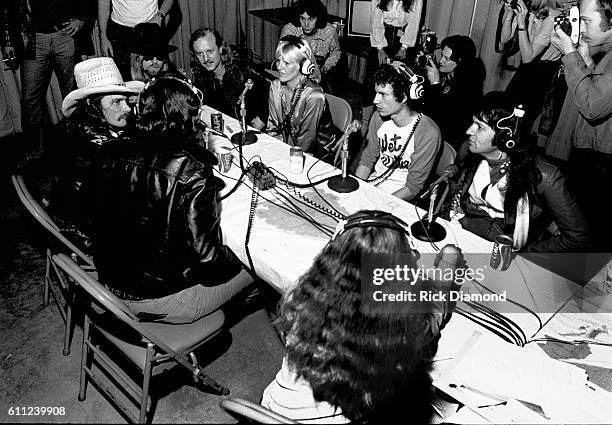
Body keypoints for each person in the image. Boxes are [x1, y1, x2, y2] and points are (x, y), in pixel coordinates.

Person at [261, 210, 464, 423]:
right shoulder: (400, 326)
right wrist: (449, 261)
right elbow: (434, 310)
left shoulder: (301, 296)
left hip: (269, 410)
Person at [87, 75, 253, 323]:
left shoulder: (109, 149)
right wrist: (238, 256)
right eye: (196, 117)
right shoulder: (191, 169)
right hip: (162, 300)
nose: (200, 125)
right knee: (259, 266)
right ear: (185, 118)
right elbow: (209, 263)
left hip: (108, 286)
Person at [446, 91, 591, 252]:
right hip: (463, 232)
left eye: (480, 126)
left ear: (505, 136)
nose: (469, 131)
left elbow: (578, 238)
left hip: (507, 249)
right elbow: (456, 195)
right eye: (473, 123)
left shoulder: (546, 177)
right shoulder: (469, 151)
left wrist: (528, 253)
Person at [49, 57, 144, 240]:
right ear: (93, 105)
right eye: (117, 102)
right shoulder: (88, 148)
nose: (128, 108)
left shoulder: (86, 126)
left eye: (126, 101)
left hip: (91, 217)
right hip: (89, 235)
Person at [549, 0, 612, 250]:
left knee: (589, 239)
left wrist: (570, 55)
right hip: (592, 156)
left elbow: (593, 107)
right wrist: (584, 61)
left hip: (603, 164)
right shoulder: (606, 53)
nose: (581, 27)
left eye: (586, 20)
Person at [9, 0, 94, 162]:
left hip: (65, 36)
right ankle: (33, 154)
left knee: (75, 96)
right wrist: (7, 41)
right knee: (29, 99)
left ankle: (82, 148)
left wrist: (81, 20)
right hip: (32, 38)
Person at [355, 62, 441, 201]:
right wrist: (355, 189)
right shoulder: (378, 117)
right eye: (376, 93)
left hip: (400, 199)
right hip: (372, 188)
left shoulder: (428, 132)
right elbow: (366, 161)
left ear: (404, 96)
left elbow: (412, 188)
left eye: (383, 94)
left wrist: (379, 204)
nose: (375, 100)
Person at [500, 0, 568, 132]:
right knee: (505, 112)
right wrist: (509, 15)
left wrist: (521, 23)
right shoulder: (531, 11)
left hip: (542, 73)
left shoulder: (552, 17)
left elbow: (528, 57)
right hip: (528, 68)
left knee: (520, 123)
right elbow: (504, 38)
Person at [267, 35, 339, 158]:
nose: (279, 67)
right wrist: (274, 153)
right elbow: (273, 129)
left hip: (316, 154)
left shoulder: (315, 96)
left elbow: (306, 143)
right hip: (288, 149)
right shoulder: (275, 86)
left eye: (287, 63)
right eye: (279, 60)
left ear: (304, 66)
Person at [362, 0, 424, 130]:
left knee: (395, 86)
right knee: (370, 84)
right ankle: (365, 124)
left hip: (402, 41)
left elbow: (414, 22)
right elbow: (376, 20)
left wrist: (404, 47)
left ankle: (390, 126)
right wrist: (380, 48)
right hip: (381, 37)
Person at [189, 27, 266, 130]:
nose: (205, 59)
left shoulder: (245, 70)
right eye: (199, 54)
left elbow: (269, 95)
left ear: (220, 48)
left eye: (210, 51)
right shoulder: (201, 79)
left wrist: (262, 119)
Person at [423, 35, 486, 150]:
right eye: (442, 55)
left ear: (460, 60)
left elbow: (441, 114)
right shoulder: (448, 75)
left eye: (447, 58)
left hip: (448, 141)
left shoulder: (468, 85)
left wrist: (435, 84)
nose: (441, 60)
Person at [98, 0, 176, 80]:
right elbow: (104, 1)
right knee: (122, 79)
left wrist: (160, 14)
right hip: (120, 31)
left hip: (149, 27)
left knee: (154, 79)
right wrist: (103, 36)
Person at [279, 0, 341, 93]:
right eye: (302, 18)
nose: (306, 24)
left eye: (311, 19)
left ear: (318, 18)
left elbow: (336, 52)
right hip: (294, 70)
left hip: (320, 70)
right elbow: (281, 56)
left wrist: (325, 67)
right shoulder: (290, 29)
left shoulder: (329, 31)